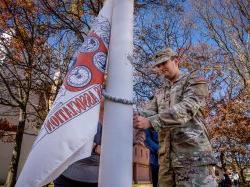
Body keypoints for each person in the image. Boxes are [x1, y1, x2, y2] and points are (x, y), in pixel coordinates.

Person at [133, 48, 217, 186]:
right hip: (166, 162)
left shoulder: (194, 80)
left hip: (193, 158)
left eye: (164, 63)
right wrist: (131, 113)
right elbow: (148, 112)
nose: (161, 68)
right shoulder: (160, 91)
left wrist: (151, 122)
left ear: (176, 61)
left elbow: (188, 108)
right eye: (158, 66)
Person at [54, 99, 104, 187]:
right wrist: (96, 147)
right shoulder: (80, 114)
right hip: (68, 176)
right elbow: (68, 138)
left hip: (96, 180)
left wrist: (137, 129)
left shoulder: (117, 122)